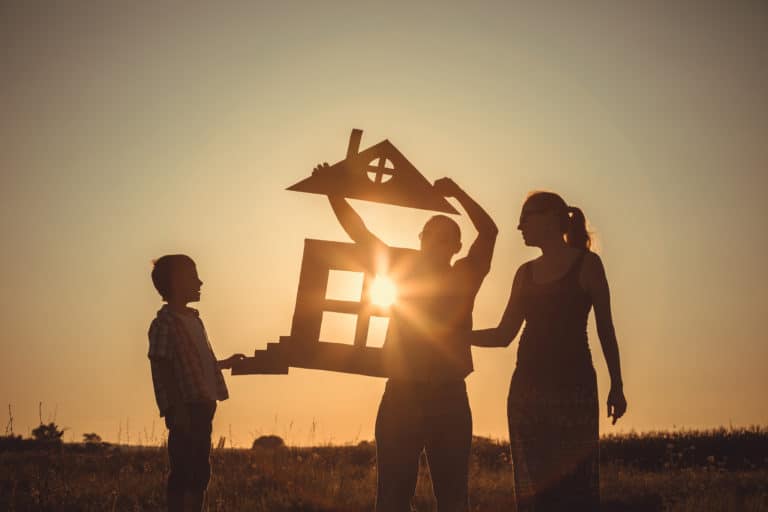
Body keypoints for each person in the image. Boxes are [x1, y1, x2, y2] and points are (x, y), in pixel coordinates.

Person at [313, 163, 498, 512]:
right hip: (401, 394)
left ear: (457, 246)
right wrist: (333, 193)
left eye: (445, 238)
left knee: (453, 497)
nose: (436, 243)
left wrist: (458, 193)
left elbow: (489, 231)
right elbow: (361, 234)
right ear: (420, 240)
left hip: (449, 395)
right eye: (431, 236)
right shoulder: (400, 269)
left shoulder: (466, 275)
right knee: (392, 497)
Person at [471, 191, 627, 511]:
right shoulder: (524, 273)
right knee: (536, 488)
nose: (520, 227)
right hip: (527, 391)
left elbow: (605, 329)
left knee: (574, 486)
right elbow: (503, 335)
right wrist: (457, 336)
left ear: (550, 218)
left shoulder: (588, 264)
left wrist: (617, 384)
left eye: (525, 218)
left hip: (574, 388)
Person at [147, 254, 244, 512]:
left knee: (200, 471)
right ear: (177, 283)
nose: (200, 283)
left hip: (202, 405)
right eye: (193, 277)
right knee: (184, 471)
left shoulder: (195, 321)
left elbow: (197, 364)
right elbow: (163, 366)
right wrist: (177, 408)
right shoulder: (164, 323)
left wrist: (224, 363)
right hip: (185, 408)